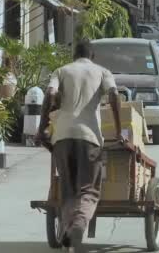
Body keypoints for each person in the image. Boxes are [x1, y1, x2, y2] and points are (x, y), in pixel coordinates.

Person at [36, 40, 123, 253]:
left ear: (75, 55)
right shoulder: (102, 72)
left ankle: (67, 227)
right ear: (92, 56)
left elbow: (50, 94)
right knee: (88, 190)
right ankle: (78, 226)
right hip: (90, 137)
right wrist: (119, 130)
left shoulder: (62, 70)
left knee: (68, 189)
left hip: (63, 137)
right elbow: (114, 95)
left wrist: (42, 127)